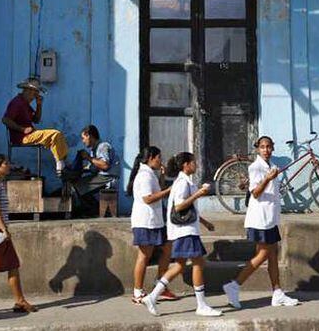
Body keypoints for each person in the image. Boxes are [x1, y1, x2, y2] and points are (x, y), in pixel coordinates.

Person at [142, 152, 222, 318]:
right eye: (193, 162)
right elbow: (179, 207)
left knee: (179, 266)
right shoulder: (182, 183)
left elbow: (188, 209)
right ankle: (201, 305)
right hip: (185, 231)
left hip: (184, 230)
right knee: (198, 263)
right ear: (186, 165)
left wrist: (205, 222)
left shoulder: (184, 182)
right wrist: (199, 194)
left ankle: (152, 296)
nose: (196, 165)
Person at [223, 135, 299, 309]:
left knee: (272, 254)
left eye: (269, 147)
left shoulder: (271, 166)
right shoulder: (256, 167)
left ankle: (277, 292)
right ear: (258, 148)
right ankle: (234, 285)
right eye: (263, 147)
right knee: (264, 254)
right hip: (260, 219)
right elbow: (256, 193)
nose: (266, 150)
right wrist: (267, 179)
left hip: (270, 218)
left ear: (272, 148)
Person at [0, 154, 37, 312]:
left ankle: (20, 301)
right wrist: (4, 230)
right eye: (6, 163)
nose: (9, 165)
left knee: (11, 265)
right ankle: (20, 301)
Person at [127, 146, 178, 304]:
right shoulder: (144, 176)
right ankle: (137, 292)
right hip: (145, 222)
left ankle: (160, 287)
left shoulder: (150, 174)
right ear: (150, 158)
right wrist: (170, 190)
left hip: (156, 221)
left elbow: (157, 191)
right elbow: (148, 198)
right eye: (159, 158)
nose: (160, 161)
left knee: (168, 248)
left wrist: (162, 178)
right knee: (144, 256)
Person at [2, 77, 68, 176]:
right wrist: (22, 129)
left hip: (30, 134)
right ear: (27, 90)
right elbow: (5, 119)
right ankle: (60, 165)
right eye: (34, 93)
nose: (34, 96)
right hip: (22, 137)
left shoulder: (25, 104)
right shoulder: (17, 102)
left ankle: (61, 162)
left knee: (58, 136)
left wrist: (39, 105)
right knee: (55, 134)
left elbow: (36, 120)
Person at [70, 125, 119, 216]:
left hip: (108, 177)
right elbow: (94, 167)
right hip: (101, 176)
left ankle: (93, 210)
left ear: (89, 135)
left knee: (77, 187)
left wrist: (88, 157)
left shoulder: (103, 146)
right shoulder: (94, 149)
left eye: (83, 138)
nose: (83, 141)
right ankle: (95, 209)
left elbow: (104, 165)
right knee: (79, 185)